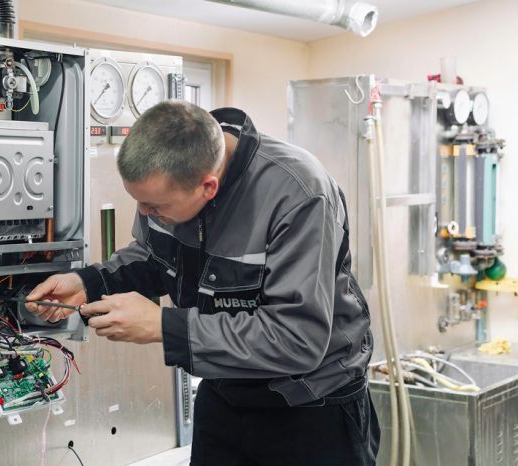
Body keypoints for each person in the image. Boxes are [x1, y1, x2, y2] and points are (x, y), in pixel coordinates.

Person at [26, 101, 380, 465]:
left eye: (155, 207)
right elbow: (154, 256)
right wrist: (88, 282)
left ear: (208, 187)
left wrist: (164, 327)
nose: (145, 213)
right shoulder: (174, 178)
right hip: (225, 395)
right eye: (140, 203)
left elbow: (297, 339)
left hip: (312, 407)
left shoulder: (298, 194)